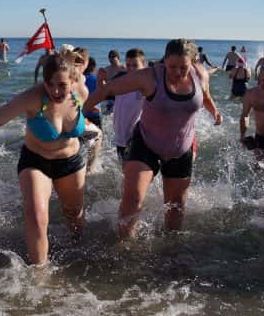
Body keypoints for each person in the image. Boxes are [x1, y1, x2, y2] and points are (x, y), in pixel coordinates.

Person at [0, 53, 87, 265]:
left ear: (74, 80)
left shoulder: (81, 93)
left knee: (74, 214)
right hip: (36, 162)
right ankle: (39, 276)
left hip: (71, 162)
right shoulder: (32, 98)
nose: (55, 91)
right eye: (50, 84)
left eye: (62, 85)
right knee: (37, 216)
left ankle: (78, 249)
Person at [83, 39, 222, 238]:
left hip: (181, 148)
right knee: (133, 200)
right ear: (164, 60)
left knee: (176, 208)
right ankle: (124, 247)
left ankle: (170, 250)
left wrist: (215, 112)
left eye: (184, 67)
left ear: (193, 62)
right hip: (146, 143)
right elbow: (108, 90)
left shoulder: (199, 75)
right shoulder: (150, 77)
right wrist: (79, 114)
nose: (177, 72)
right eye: (172, 66)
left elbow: (205, 96)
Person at [113, 49, 146, 160]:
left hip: (135, 138)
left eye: (135, 65)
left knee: (134, 172)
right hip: (120, 137)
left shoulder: (144, 87)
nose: (131, 68)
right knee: (124, 172)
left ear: (143, 65)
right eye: (128, 65)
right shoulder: (120, 82)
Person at [99, 49, 127, 114]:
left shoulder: (124, 69)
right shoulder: (106, 69)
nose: (111, 59)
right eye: (109, 57)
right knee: (106, 117)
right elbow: (102, 85)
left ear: (118, 57)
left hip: (121, 97)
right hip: (108, 97)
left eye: (113, 57)